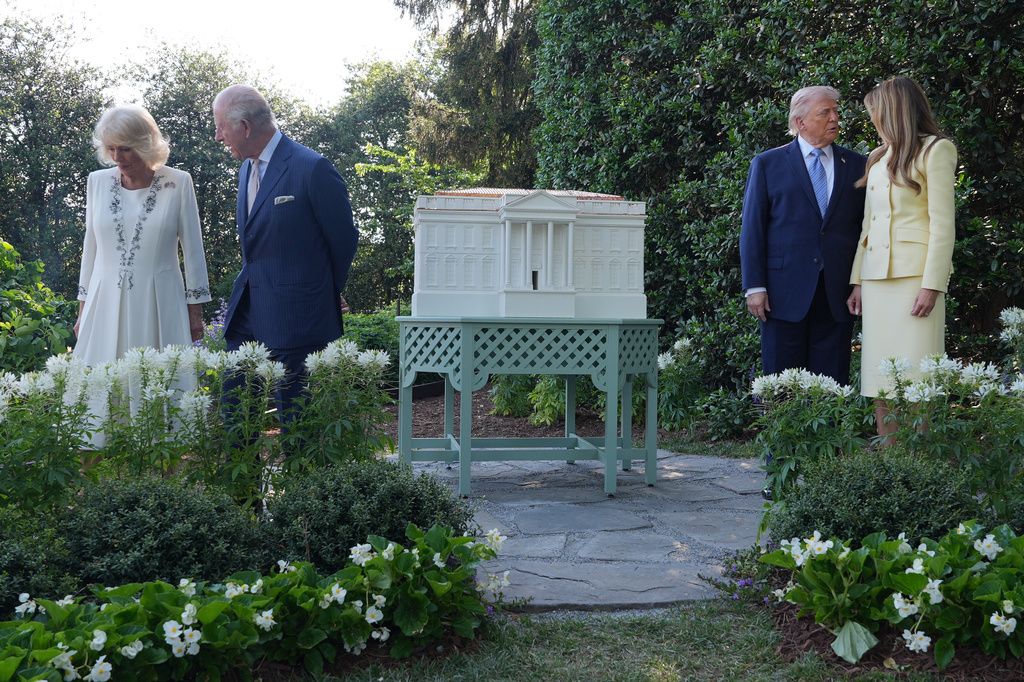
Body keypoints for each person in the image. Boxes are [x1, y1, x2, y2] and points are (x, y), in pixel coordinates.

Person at [212, 85, 358, 432]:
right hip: (247, 311)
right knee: (236, 413)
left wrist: (322, 291)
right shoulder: (246, 170)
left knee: (299, 424)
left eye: (221, 127)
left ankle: (302, 490)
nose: (218, 137)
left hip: (299, 317)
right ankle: (243, 489)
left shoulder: (313, 168)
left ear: (245, 126)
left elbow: (343, 239)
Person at [74, 104, 211, 446]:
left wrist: (195, 312)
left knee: (162, 399)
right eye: (111, 148)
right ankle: (98, 487)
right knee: (96, 404)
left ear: (146, 144)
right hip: (103, 302)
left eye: (126, 148)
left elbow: (193, 251)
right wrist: (82, 311)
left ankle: (162, 485)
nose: (118, 157)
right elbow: (90, 250)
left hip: (160, 303)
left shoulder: (178, 182)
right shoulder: (96, 183)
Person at [846, 76, 956, 440]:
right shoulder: (877, 158)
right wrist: (857, 281)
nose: (873, 119)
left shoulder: (936, 149)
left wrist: (932, 284)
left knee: (918, 379)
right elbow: (867, 226)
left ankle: (920, 467)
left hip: (915, 280)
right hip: (877, 282)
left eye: (875, 112)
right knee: (880, 377)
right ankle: (891, 462)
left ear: (894, 111)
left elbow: (943, 225)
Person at [740, 85, 867, 387]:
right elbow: (752, 229)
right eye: (825, 112)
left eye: (836, 111)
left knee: (831, 383)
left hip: (837, 293)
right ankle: (784, 437)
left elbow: (866, 229)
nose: (835, 118)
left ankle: (827, 437)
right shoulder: (768, 164)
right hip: (782, 294)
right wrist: (754, 286)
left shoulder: (859, 165)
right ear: (800, 122)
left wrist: (860, 281)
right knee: (782, 383)